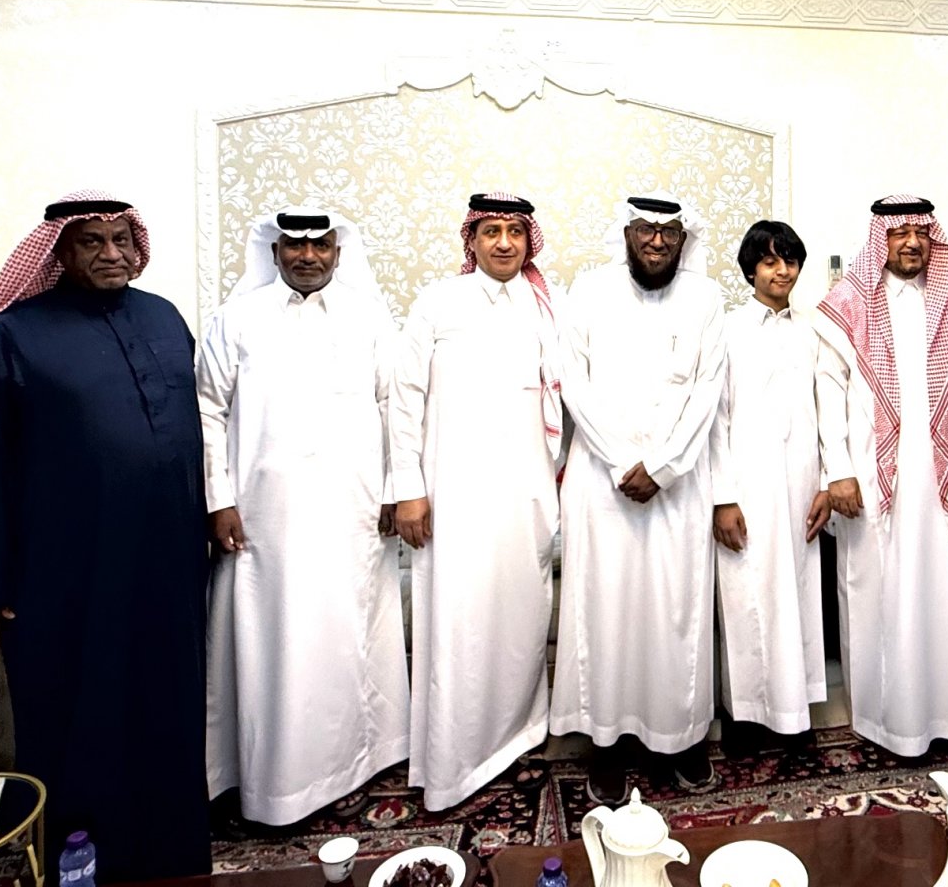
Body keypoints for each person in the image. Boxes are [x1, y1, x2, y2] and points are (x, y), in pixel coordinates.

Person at [0, 192, 209, 880]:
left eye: (122, 239)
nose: (112, 253)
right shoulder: (8, 337)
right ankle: (79, 856)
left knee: (168, 701)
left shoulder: (164, 317)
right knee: (81, 709)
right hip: (66, 570)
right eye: (91, 241)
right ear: (57, 252)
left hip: (168, 559)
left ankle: (175, 849)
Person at [199, 208, 406, 824]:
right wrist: (218, 499)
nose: (308, 255)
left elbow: (394, 406)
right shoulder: (236, 319)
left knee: (350, 636)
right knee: (280, 641)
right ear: (275, 251)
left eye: (321, 245)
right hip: (267, 519)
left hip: (353, 512)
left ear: (339, 252)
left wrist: (396, 488)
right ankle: (278, 782)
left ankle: (360, 759)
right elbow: (207, 411)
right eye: (295, 244)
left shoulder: (370, 318)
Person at [387, 192, 566, 812]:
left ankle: (518, 736)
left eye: (515, 231)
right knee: (459, 624)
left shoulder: (546, 305)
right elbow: (404, 401)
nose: (504, 243)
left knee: (520, 618)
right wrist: (408, 491)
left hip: (524, 497)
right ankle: (453, 760)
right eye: (491, 231)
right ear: (471, 239)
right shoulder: (439, 301)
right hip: (455, 496)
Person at [553, 194, 728, 803]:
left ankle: (678, 739)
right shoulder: (588, 291)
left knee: (677, 613)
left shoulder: (706, 299)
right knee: (604, 611)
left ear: (683, 239)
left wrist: (662, 467)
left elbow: (708, 389)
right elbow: (574, 384)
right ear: (626, 233)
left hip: (678, 484)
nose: (657, 241)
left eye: (669, 232)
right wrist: (621, 461)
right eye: (646, 230)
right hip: (602, 483)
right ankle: (606, 744)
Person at [813, 195, 948, 756]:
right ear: (879, 239)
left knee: (937, 590)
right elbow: (827, 392)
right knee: (875, 592)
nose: (911, 242)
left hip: (939, 472)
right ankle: (880, 721)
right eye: (898, 233)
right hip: (869, 475)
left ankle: (944, 717)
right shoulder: (849, 301)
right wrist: (838, 472)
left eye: (920, 232)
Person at [709, 219, 828, 753]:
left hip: (802, 483)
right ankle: (746, 717)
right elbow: (716, 419)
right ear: (751, 269)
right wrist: (722, 497)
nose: (782, 271)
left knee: (798, 594)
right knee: (745, 598)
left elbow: (827, 409)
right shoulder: (727, 330)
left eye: (790, 261)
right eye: (770, 261)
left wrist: (825, 484)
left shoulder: (814, 331)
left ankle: (794, 716)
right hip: (745, 485)